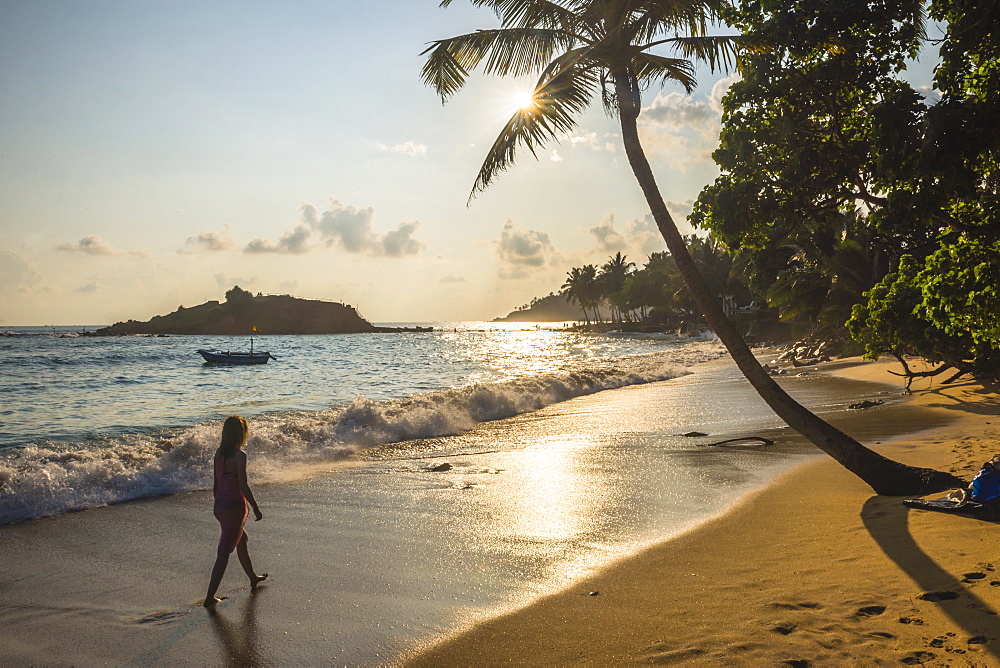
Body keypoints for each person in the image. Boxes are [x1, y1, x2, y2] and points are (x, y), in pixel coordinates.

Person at [204, 415, 268, 606]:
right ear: (241, 434)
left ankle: (252, 577)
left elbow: (216, 483)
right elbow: (243, 486)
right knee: (224, 553)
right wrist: (256, 507)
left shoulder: (219, 453)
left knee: (242, 539)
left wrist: (218, 506)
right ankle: (209, 597)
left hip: (220, 506)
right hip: (234, 508)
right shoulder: (240, 456)